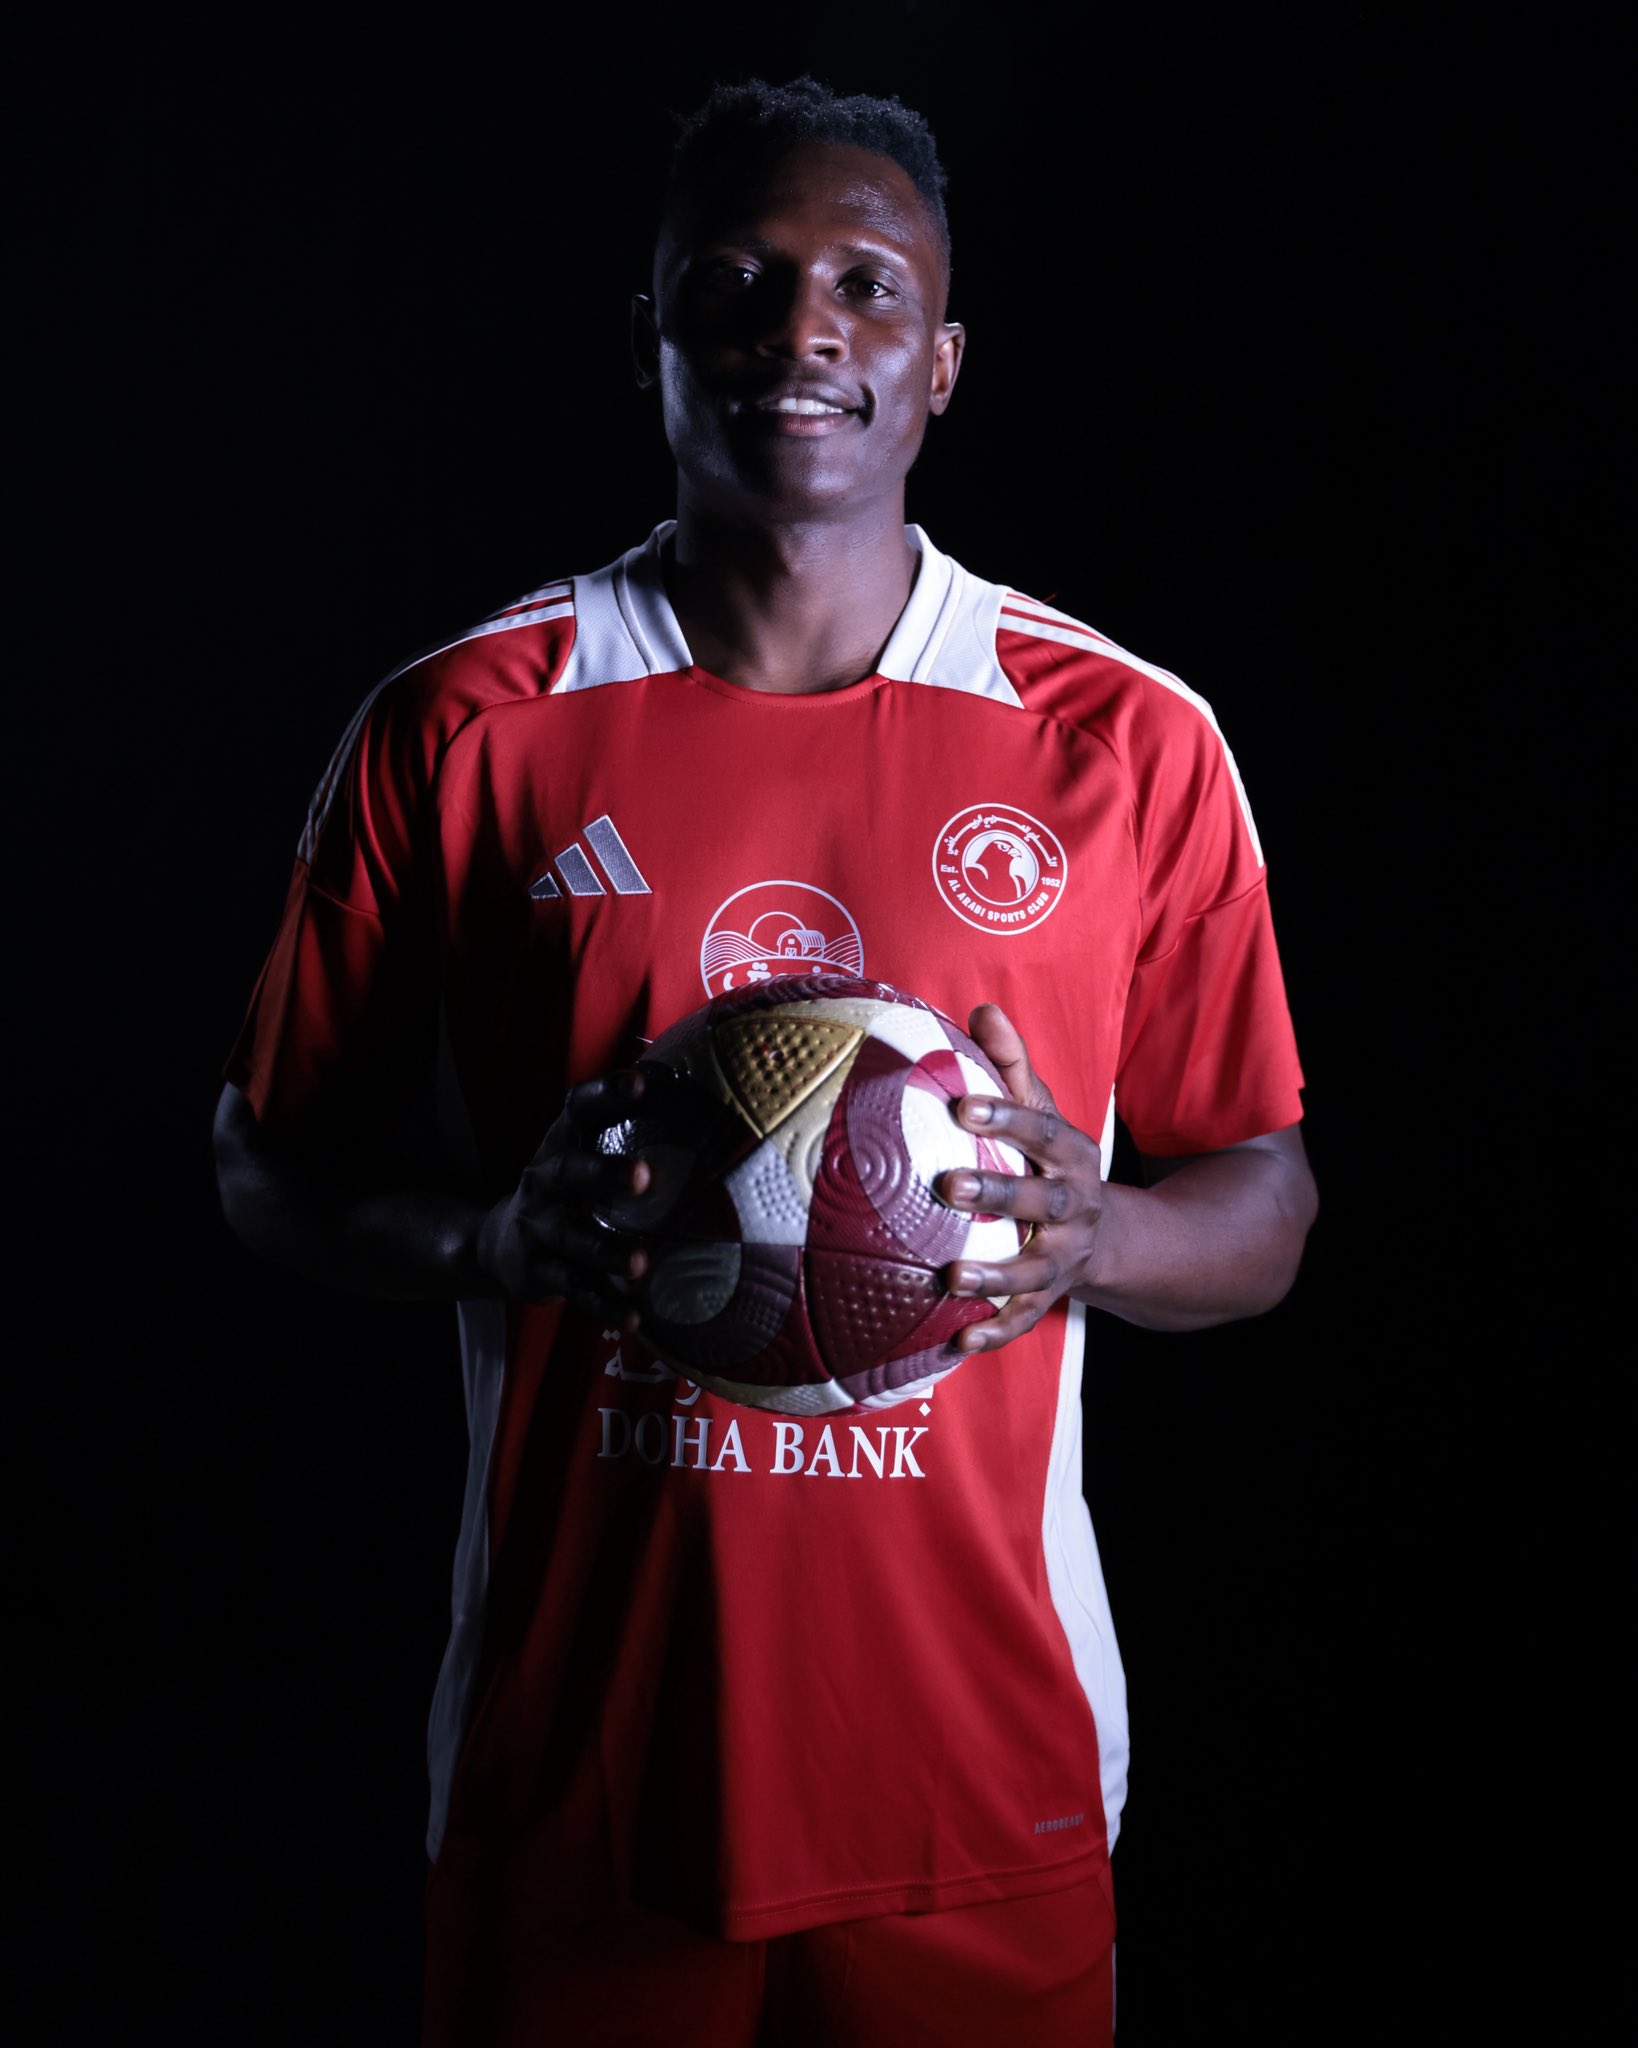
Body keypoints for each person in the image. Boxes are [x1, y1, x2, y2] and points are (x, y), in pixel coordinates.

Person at [216, 76, 1316, 2048]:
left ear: (941, 361)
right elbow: (264, 1157)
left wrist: (1100, 1236)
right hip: (583, 1784)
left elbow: (1265, 1195)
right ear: (650, 334)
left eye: (865, 286)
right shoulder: (468, 726)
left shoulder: (1123, 741)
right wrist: (487, 1241)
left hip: (980, 1780)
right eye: (733, 280)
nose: (801, 329)